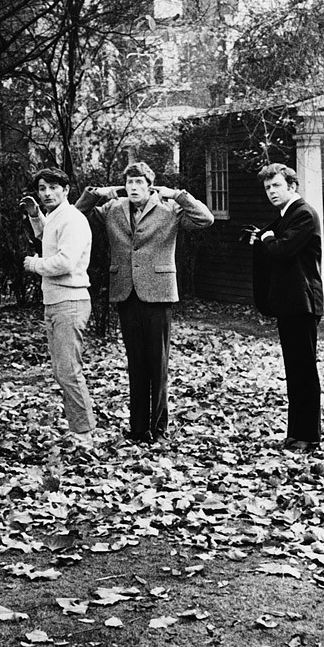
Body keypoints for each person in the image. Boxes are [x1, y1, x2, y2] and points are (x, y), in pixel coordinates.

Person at [76, 161, 214, 444]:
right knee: (135, 362)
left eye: (139, 183)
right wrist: (100, 192)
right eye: (129, 183)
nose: (134, 188)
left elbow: (205, 219)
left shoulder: (169, 209)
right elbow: (79, 214)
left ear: (150, 186)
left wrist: (178, 194)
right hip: (126, 292)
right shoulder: (113, 209)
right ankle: (138, 428)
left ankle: (159, 428)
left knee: (157, 363)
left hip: (158, 293)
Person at [248, 163, 324, 453]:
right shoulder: (285, 216)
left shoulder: (303, 214)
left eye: (276, 186)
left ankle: (309, 436)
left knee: (304, 371)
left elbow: (282, 250)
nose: (271, 192)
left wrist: (267, 238)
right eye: (268, 188)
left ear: (291, 186)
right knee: (294, 371)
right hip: (290, 304)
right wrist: (264, 239)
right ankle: (296, 435)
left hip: (303, 303)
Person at [22, 167, 96, 448]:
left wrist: (35, 265)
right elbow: (49, 238)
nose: (47, 193)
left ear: (66, 190)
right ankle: (80, 429)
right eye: (42, 188)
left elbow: (64, 261)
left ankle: (84, 434)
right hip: (55, 301)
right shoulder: (55, 216)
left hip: (71, 301)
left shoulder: (73, 220)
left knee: (68, 370)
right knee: (61, 370)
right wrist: (34, 216)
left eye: (53, 187)